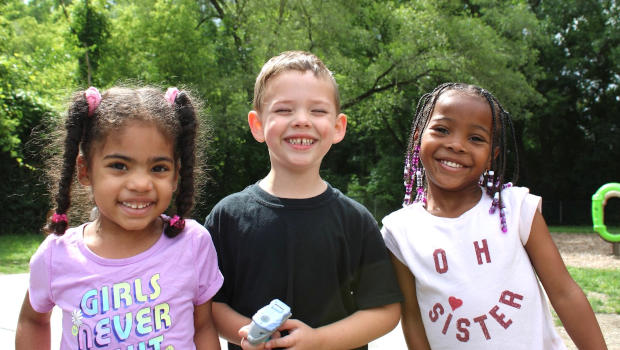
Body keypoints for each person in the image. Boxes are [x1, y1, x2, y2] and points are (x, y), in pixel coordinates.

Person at [381, 82, 608, 349]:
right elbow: (413, 318)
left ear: (492, 156)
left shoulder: (515, 208)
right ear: (419, 136)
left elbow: (565, 293)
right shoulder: (399, 231)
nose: (456, 145)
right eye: (442, 130)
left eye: (475, 138)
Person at [205, 51, 403, 350]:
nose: (301, 121)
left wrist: (319, 341)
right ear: (257, 124)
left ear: (338, 127)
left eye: (318, 111)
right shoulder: (227, 216)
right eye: (284, 110)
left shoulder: (355, 220)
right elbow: (210, 305)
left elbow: (385, 312)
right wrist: (253, 336)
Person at [15, 86, 224, 350]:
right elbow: (33, 321)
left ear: (175, 176)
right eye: (119, 166)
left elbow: (203, 326)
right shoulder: (56, 256)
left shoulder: (193, 244)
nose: (140, 183)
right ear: (85, 170)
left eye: (158, 168)